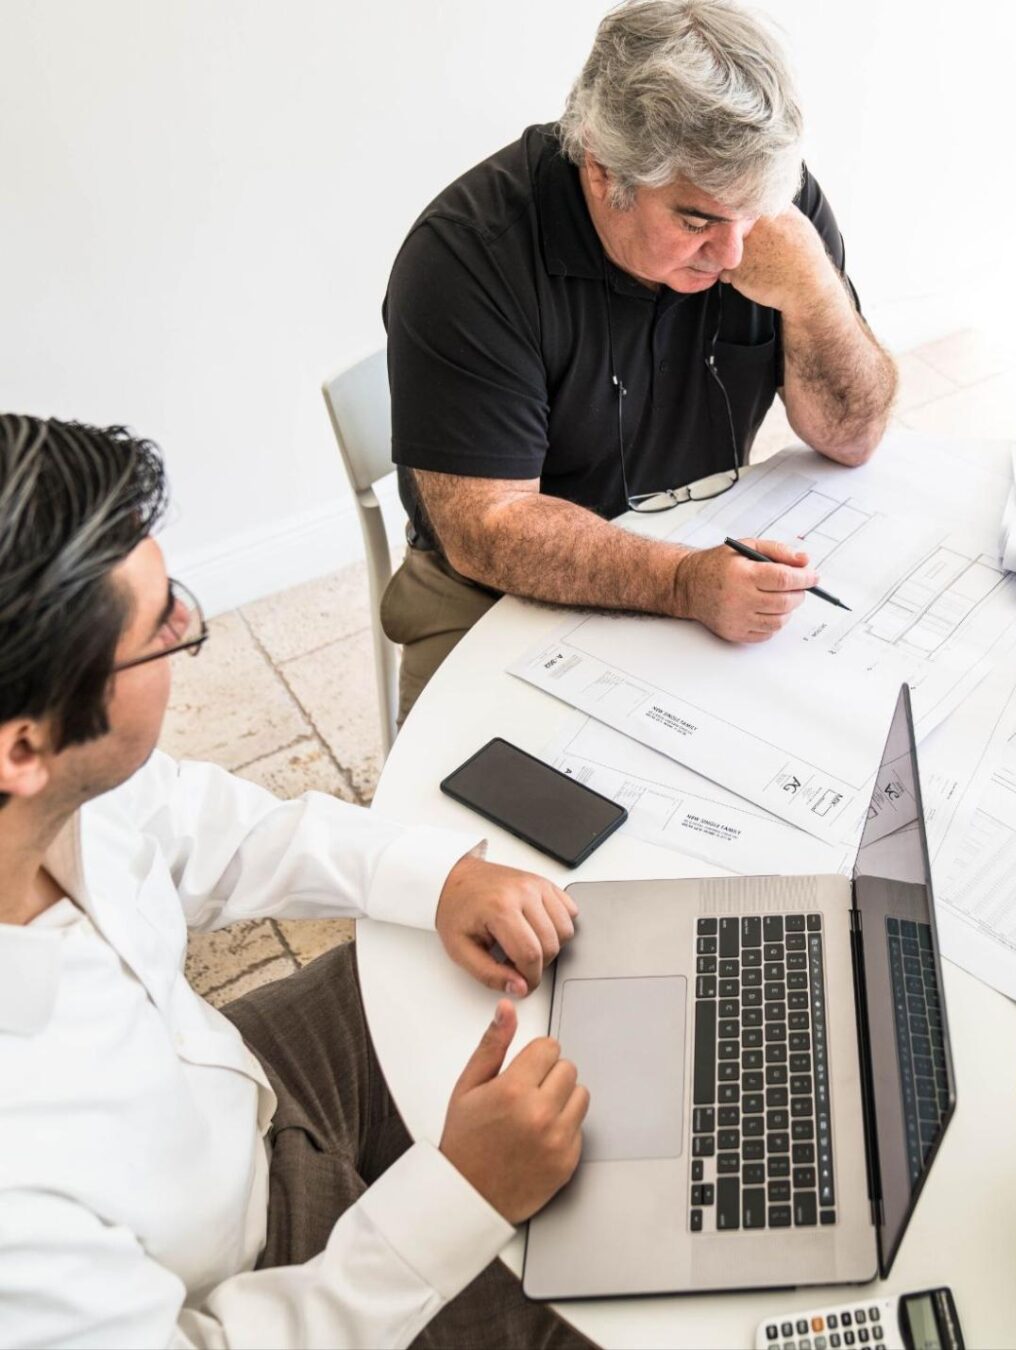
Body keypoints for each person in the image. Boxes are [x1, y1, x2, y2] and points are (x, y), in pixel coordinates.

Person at [0, 415, 595, 1347]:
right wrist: (461, 1198)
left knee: (557, 980)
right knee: (606, 1305)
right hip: (263, 1279)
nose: (192, 628)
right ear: (25, 748)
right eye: (159, 633)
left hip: (244, 1092)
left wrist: (434, 879)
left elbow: (193, 822)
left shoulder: (49, 795)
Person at [381, 0, 897, 719]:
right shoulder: (466, 256)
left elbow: (852, 438)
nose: (735, 254)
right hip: (495, 589)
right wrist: (682, 583)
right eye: (697, 222)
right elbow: (488, 530)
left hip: (700, 534)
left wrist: (815, 297)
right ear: (601, 171)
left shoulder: (760, 202)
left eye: (753, 216)